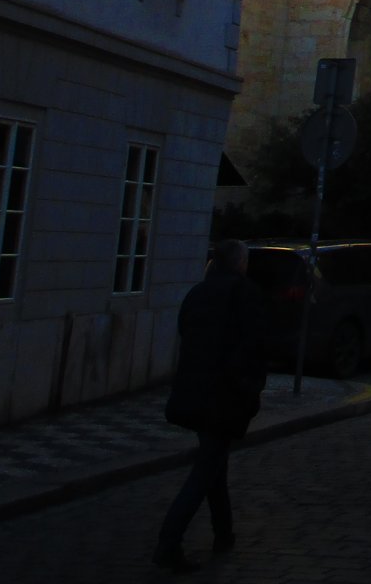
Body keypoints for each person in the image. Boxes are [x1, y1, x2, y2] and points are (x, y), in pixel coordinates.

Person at [155, 240, 268, 572]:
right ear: (240, 263)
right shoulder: (245, 294)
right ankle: (169, 542)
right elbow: (253, 346)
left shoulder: (197, 293)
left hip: (194, 389)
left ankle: (224, 533)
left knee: (214, 462)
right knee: (206, 469)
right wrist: (251, 387)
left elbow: (185, 333)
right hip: (225, 394)